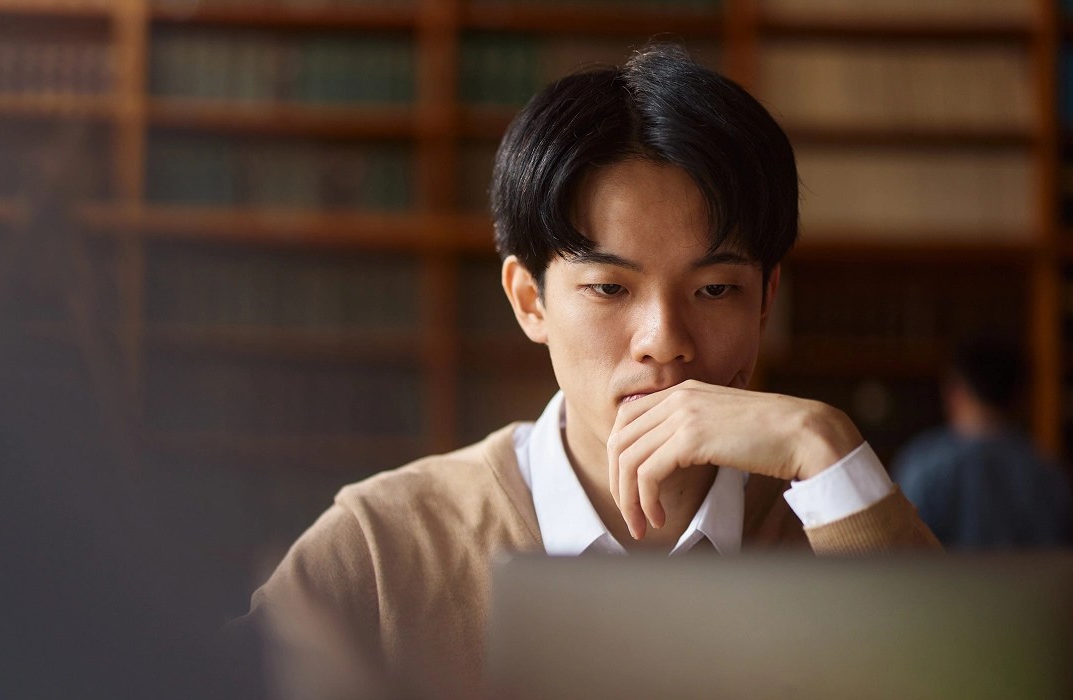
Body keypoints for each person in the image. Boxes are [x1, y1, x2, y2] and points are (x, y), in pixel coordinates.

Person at [241, 46, 940, 699]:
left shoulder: (843, 524)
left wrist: (825, 442)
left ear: (767, 301)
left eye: (716, 289)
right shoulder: (387, 546)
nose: (664, 342)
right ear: (529, 301)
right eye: (610, 289)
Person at [894, 336, 1073, 550]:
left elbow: (899, 553)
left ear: (955, 390)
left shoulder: (921, 465)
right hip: (1026, 584)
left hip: (939, 583)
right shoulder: (1048, 473)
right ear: (1019, 393)